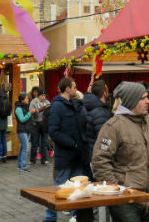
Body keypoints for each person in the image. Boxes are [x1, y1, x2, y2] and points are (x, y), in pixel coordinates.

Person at [92, 82, 149, 222]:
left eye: (147, 97)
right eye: (143, 98)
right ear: (131, 101)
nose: (148, 101)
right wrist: (117, 189)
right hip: (126, 201)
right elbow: (100, 161)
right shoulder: (113, 127)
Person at [44, 77, 89, 222]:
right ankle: (50, 217)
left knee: (77, 187)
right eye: (74, 87)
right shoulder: (57, 106)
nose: (76, 89)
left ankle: (76, 215)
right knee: (59, 187)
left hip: (77, 155)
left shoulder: (72, 104)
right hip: (65, 154)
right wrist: (72, 143)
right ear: (67, 89)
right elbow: (54, 132)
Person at [83, 79, 112, 167]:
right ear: (104, 93)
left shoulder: (89, 107)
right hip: (99, 156)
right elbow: (104, 137)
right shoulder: (100, 112)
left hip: (90, 152)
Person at [29, 89, 51, 165]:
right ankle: (32, 160)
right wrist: (40, 109)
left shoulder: (47, 102)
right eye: (42, 95)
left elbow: (50, 113)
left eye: (45, 95)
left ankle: (44, 159)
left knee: (44, 143)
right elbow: (31, 112)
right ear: (38, 96)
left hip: (44, 125)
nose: (43, 97)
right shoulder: (34, 102)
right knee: (34, 143)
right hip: (35, 124)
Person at [14, 92, 36, 172]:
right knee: (25, 148)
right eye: (26, 98)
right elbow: (22, 119)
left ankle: (20, 165)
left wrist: (32, 113)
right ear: (22, 100)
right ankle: (23, 166)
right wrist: (30, 113)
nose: (28, 99)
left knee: (23, 147)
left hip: (27, 129)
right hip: (22, 130)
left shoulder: (25, 107)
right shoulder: (18, 108)